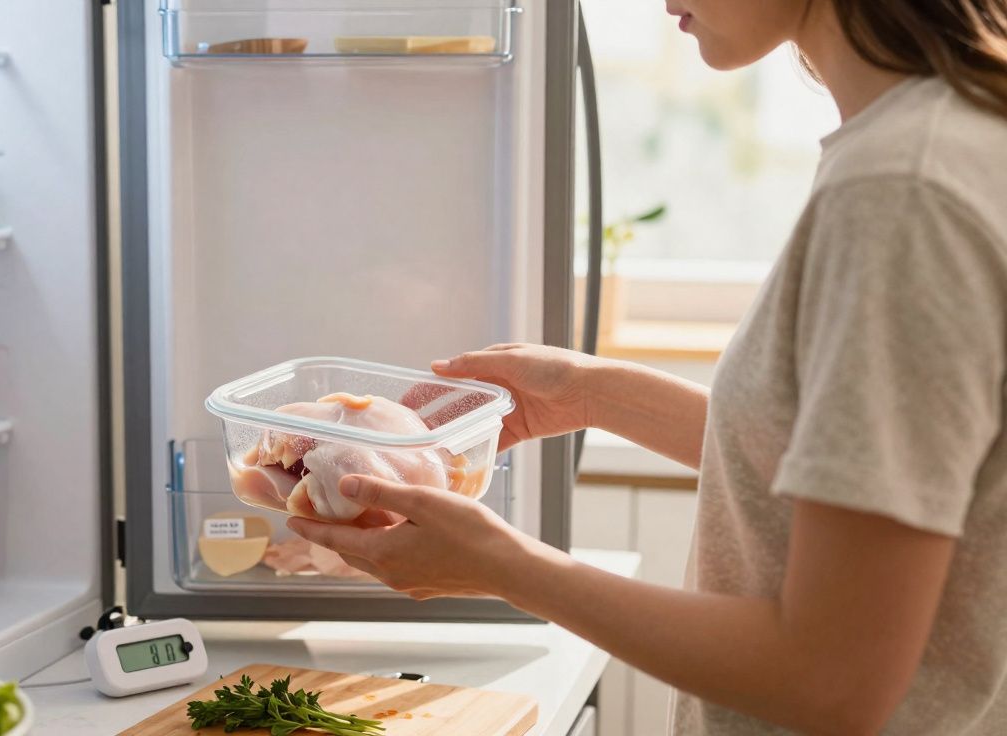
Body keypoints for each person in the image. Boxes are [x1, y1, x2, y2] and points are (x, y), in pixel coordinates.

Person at [287, 0, 1007, 732]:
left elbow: (831, 679)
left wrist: (501, 567)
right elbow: (860, 473)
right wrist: (593, 396)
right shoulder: (945, 142)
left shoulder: (902, 192)